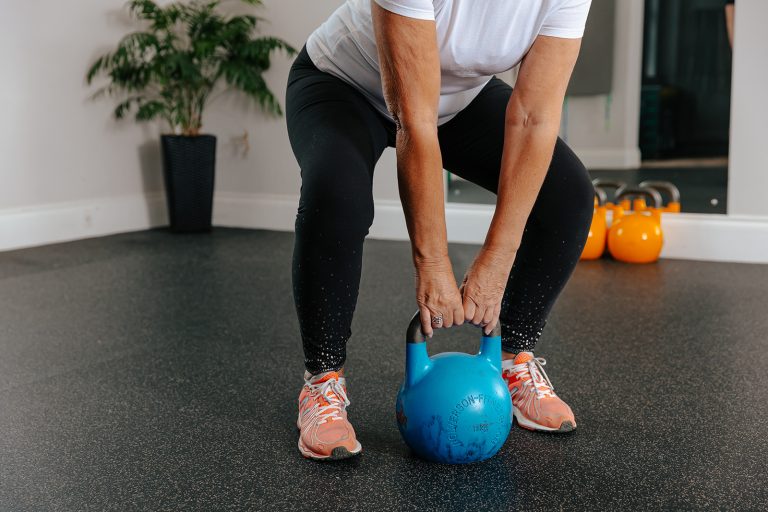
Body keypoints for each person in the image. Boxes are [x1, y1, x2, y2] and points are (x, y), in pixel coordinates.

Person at [286, 0, 594, 460]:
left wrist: (497, 263)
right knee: (339, 196)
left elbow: (534, 118)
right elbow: (415, 118)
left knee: (567, 193)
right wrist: (431, 263)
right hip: (342, 83)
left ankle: (512, 358)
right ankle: (322, 381)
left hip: (455, 100)